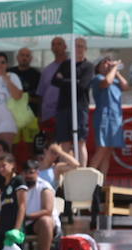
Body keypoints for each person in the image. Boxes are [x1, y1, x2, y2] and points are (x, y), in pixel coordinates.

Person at [51, 37, 93, 165]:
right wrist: (73, 81)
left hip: (80, 107)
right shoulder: (65, 64)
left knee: (80, 141)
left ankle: (83, 170)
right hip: (64, 107)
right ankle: (65, 172)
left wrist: (65, 80)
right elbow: (54, 81)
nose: (78, 49)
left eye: (81, 46)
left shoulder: (88, 66)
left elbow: (83, 86)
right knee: (65, 142)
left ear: (85, 49)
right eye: (76, 46)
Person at [90, 55, 128, 177]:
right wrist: (114, 67)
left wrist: (116, 71)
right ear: (98, 67)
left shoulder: (115, 80)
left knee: (108, 152)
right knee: (102, 149)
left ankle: (101, 183)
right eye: (104, 63)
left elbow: (125, 86)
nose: (108, 64)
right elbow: (107, 82)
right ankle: (87, 179)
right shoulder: (98, 79)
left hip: (115, 118)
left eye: (109, 62)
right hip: (104, 118)